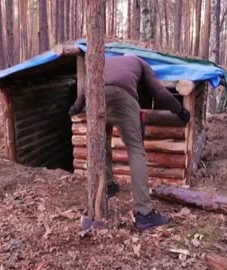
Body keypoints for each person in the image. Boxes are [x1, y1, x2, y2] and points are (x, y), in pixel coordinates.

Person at [69, 55, 190, 230]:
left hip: (95, 95)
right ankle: (144, 214)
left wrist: (75, 108)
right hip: (122, 96)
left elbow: (85, 88)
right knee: (135, 149)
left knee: (101, 143)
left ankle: (108, 185)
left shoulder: (103, 62)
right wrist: (180, 111)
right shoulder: (140, 61)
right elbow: (159, 92)